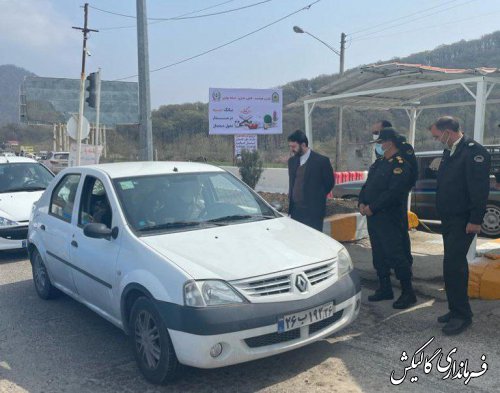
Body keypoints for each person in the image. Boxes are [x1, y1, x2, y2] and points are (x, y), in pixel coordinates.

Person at [429, 116, 491, 335]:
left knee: (454, 266)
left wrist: (475, 219)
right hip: (449, 218)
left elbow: (479, 189)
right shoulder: (450, 150)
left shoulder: (474, 152)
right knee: (451, 266)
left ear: (448, 131)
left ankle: (462, 316)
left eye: (438, 136)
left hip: (464, 220)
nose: (437, 140)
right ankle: (455, 308)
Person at [359, 128, 416, 309]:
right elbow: (367, 186)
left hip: (389, 218)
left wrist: (372, 207)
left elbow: (394, 193)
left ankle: (408, 293)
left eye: (381, 142)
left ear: (389, 143)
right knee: (379, 253)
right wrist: (361, 203)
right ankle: (385, 288)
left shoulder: (400, 165)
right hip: (373, 217)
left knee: (396, 254)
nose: (380, 146)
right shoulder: (379, 163)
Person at [287, 130, 334, 231]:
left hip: (313, 213)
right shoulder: (292, 161)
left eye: (294, 147)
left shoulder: (321, 161)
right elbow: (292, 184)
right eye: (290, 147)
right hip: (295, 211)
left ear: (303, 145)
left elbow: (329, 183)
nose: (291, 150)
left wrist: (317, 197)